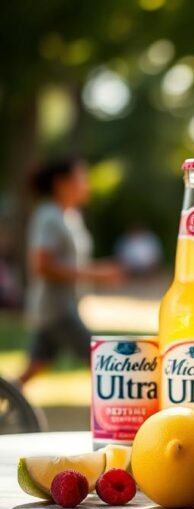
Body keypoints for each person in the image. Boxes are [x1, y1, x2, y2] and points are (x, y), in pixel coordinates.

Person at [18, 156, 122, 386]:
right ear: (61, 183)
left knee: (35, 365)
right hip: (56, 309)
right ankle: (108, 415)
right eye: (81, 177)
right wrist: (96, 274)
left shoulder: (71, 217)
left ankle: (9, 403)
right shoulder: (48, 216)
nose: (87, 184)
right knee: (99, 360)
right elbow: (41, 266)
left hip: (64, 306)